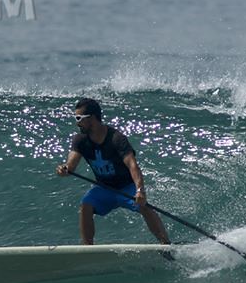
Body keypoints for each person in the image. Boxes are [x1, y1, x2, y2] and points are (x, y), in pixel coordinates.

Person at [56, 98, 171, 246]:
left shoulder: (116, 139)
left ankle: (165, 243)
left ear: (92, 118)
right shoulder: (80, 140)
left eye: (79, 118)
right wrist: (64, 169)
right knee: (86, 205)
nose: (77, 122)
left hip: (126, 187)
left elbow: (132, 165)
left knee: (145, 207)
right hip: (104, 188)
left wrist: (140, 191)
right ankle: (87, 248)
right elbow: (70, 165)